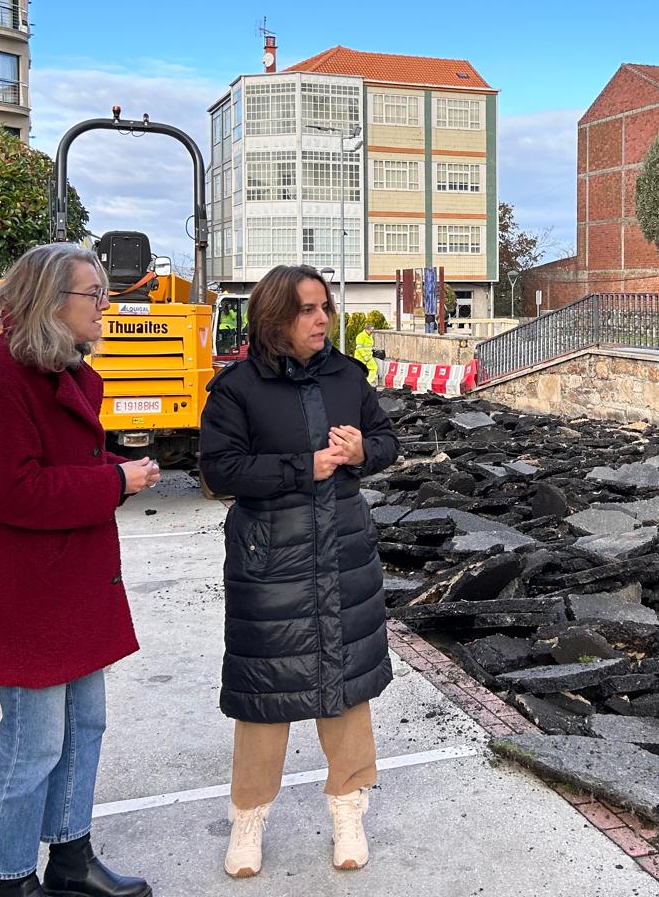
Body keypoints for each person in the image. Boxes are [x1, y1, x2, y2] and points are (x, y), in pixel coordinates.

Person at [0, 242, 160, 897]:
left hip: (67, 588)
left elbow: (52, 470)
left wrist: (110, 476)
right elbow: (12, 494)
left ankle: (70, 862)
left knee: (83, 729)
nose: (106, 308)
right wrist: (115, 482)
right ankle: (13, 882)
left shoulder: (55, 371)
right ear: (52, 301)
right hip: (26, 598)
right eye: (94, 296)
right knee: (33, 744)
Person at [199, 264, 399, 880]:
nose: (322, 320)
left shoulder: (348, 377)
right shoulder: (236, 389)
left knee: (346, 689)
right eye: (308, 310)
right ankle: (248, 824)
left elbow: (389, 442)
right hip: (270, 560)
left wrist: (365, 452)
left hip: (343, 552)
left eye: (325, 308)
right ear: (275, 318)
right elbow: (219, 472)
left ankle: (348, 814)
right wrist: (300, 468)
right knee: (265, 695)